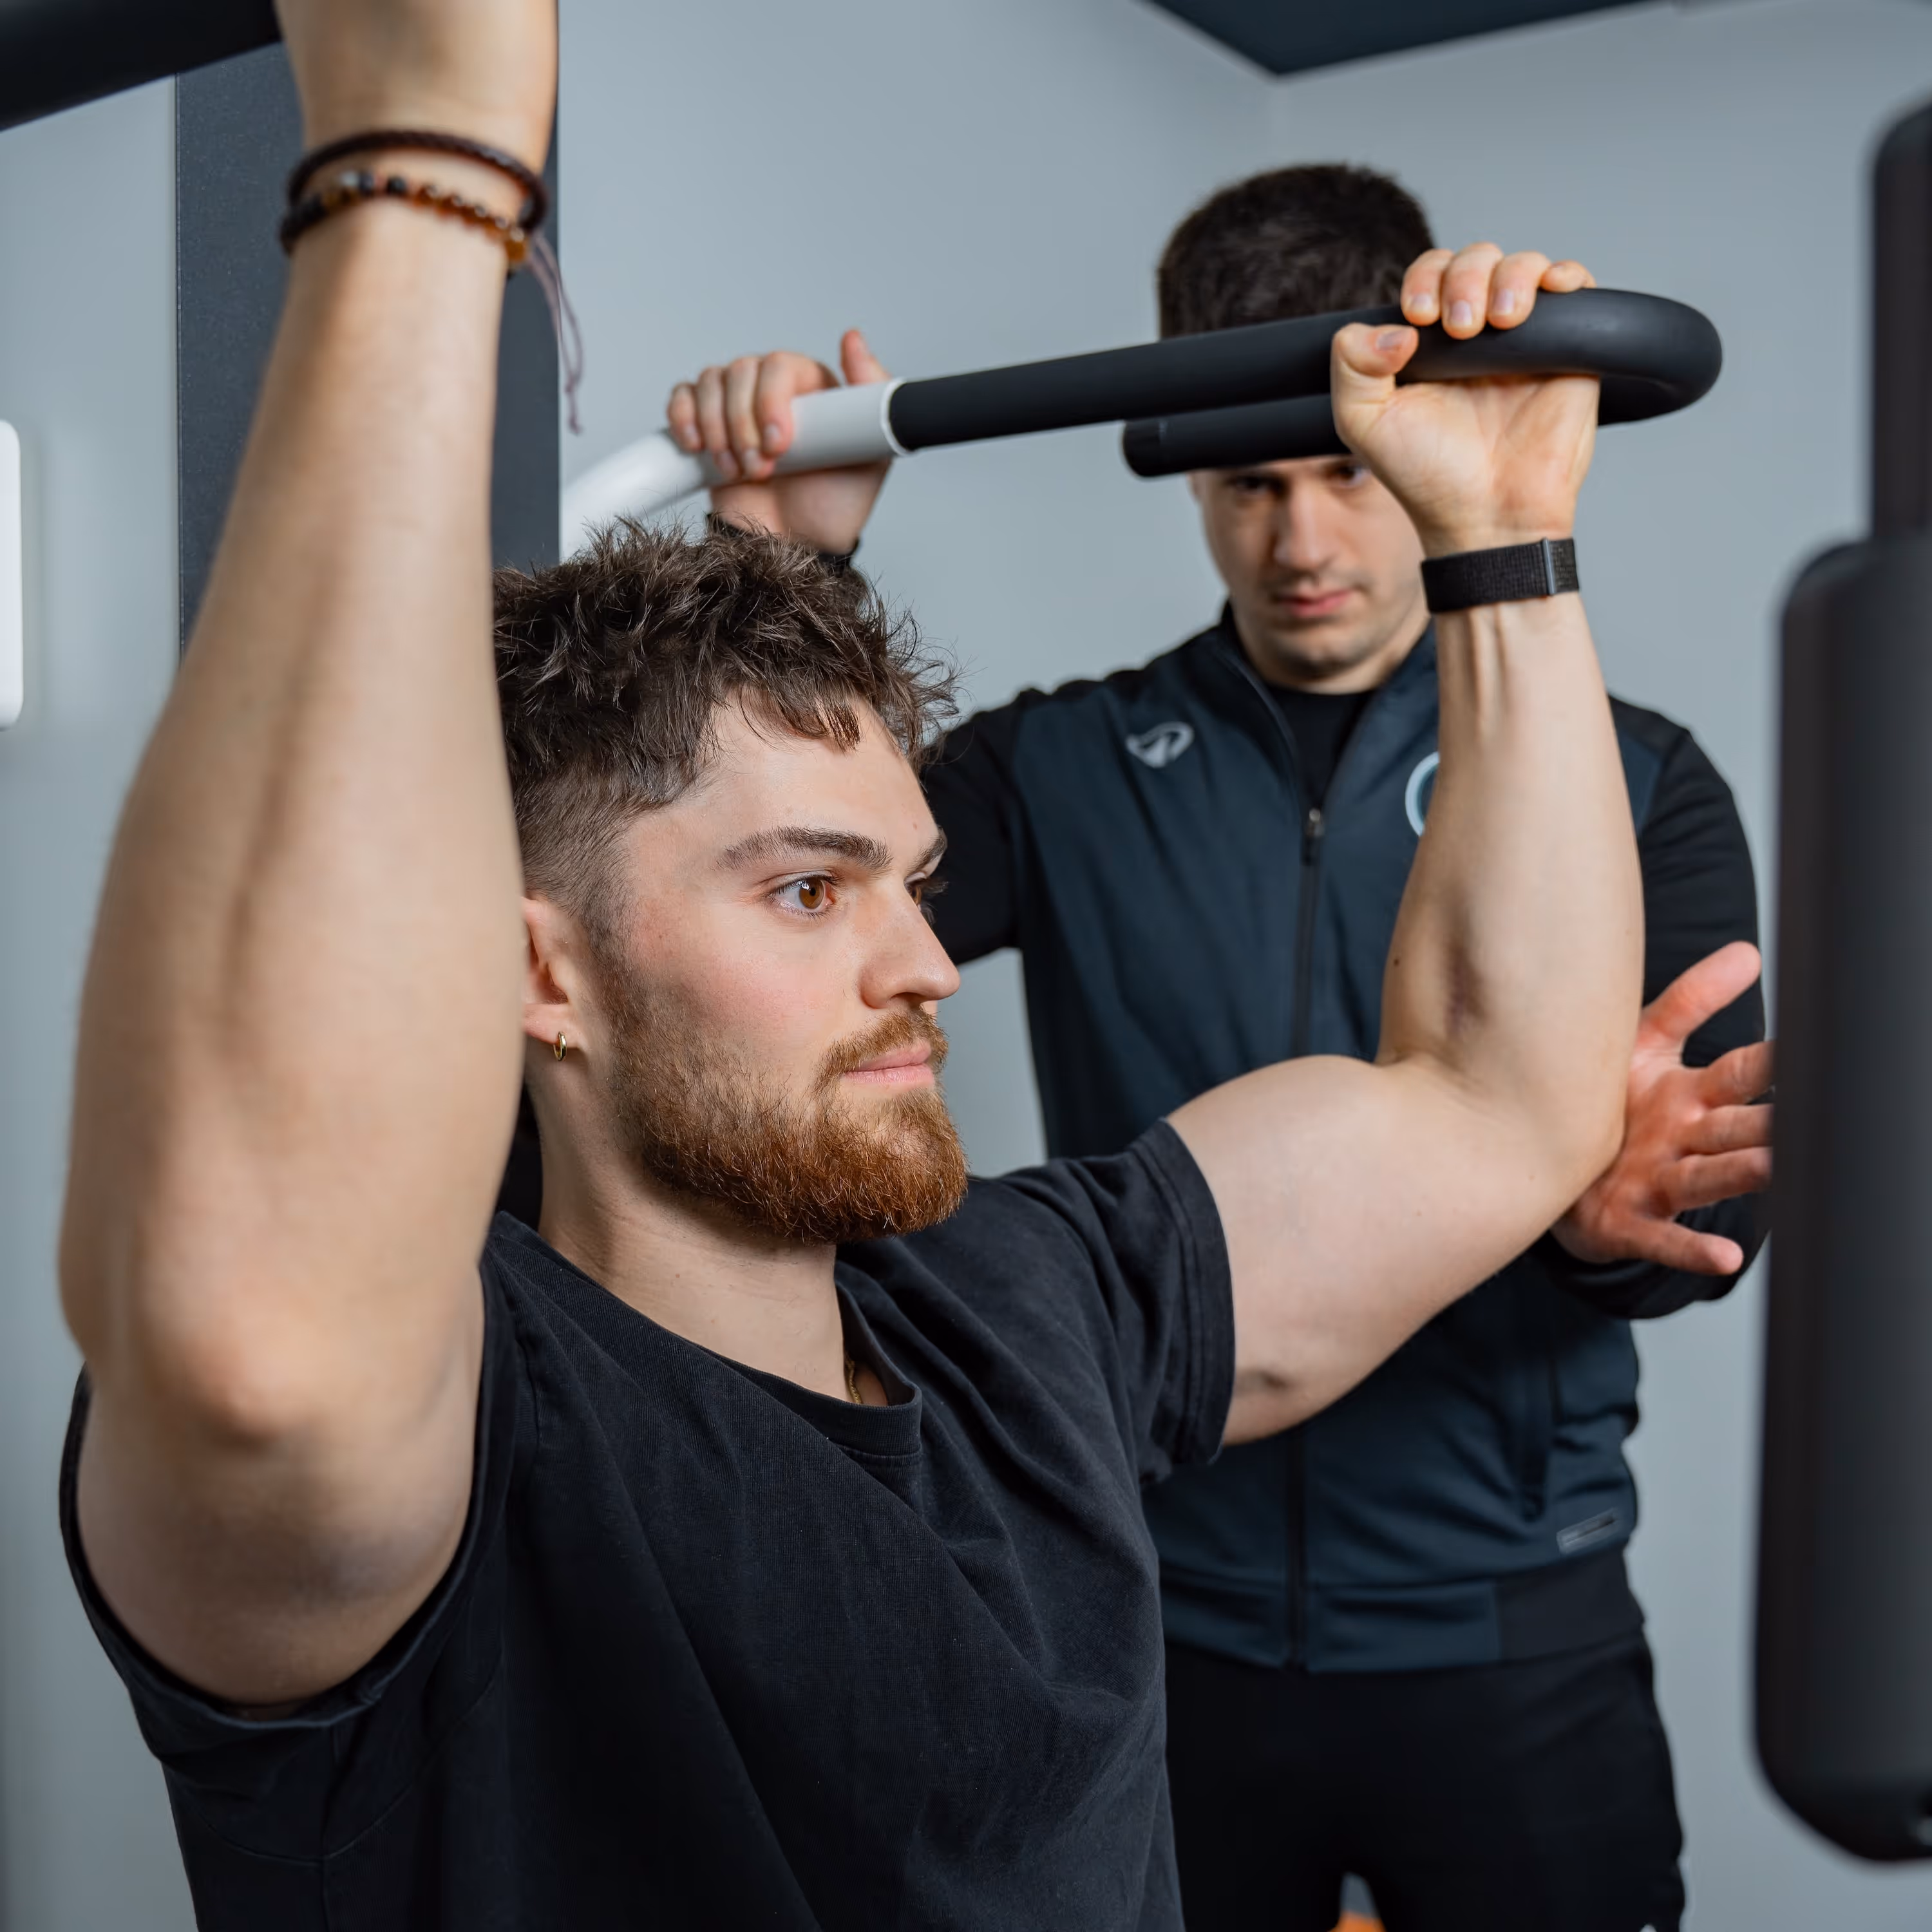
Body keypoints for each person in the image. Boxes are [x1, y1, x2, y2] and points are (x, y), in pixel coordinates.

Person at [57, 0, 1714, 1915]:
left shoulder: (1031, 1304)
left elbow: (1496, 1099)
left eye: (916, 884)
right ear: (529, 973)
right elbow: (250, 1331)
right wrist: (424, 174)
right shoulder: (468, 1443)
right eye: (804, 891)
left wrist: (1504, 543)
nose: (930, 962)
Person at [668, 167, 1770, 1931]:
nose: (1305, 541)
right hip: (1154, 1612)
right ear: (1191, 470)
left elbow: (1704, 1217)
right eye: (1252, 484)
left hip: (1510, 1624)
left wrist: (1587, 1214)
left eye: (1344, 471)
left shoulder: (1628, 777)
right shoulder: (1064, 769)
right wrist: (785, 561)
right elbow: (761, 922)